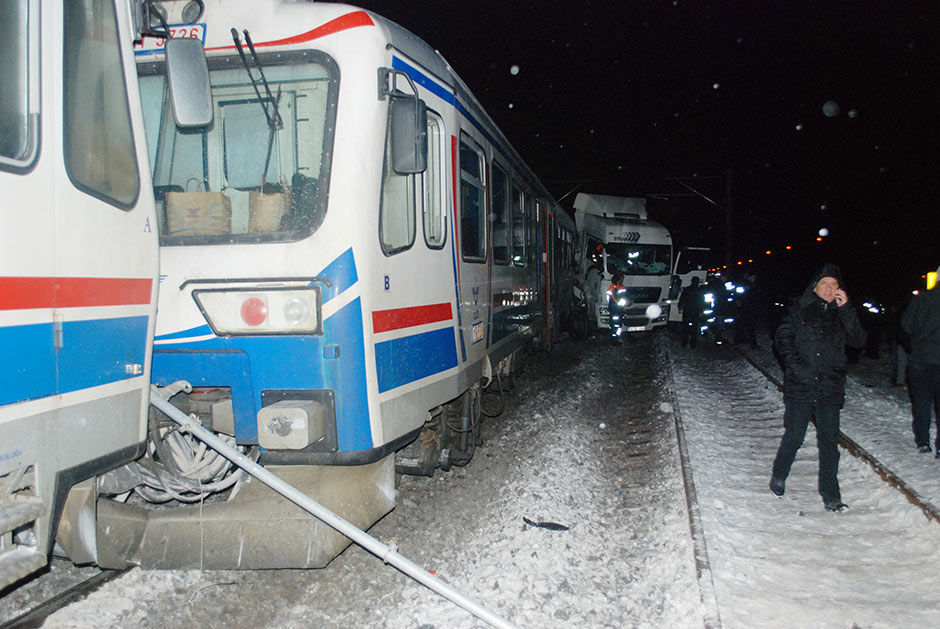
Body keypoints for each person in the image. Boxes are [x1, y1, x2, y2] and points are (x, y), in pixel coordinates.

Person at [769, 263, 866, 512]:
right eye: (824, 283)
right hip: (801, 384)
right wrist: (795, 367)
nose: (829, 288)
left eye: (834, 284)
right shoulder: (799, 307)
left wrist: (846, 310)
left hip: (830, 386)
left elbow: (858, 340)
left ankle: (831, 494)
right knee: (794, 435)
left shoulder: (841, 313)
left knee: (829, 443)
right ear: (815, 286)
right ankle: (779, 475)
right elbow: (782, 337)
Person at [900, 265, 940, 455]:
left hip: (922, 357)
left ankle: (923, 441)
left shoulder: (922, 298)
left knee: (922, 401)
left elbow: (905, 324)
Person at [678, 276, 703, 348]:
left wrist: (680, 307)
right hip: (695, 310)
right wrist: (701, 311)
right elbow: (702, 302)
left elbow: (682, 299)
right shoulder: (699, 291)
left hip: (687, 310)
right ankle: (693, 344)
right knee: (694, 328)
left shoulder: (686, 289)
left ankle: (684, 342)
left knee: (685, 327)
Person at [607, 271, 630, 339]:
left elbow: (625, 296)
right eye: (621, 278)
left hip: (619, 310)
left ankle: (617, 338)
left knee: (618, 326)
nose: (622, 280)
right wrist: (627, 303)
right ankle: (614, 339)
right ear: (617, 279)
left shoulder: (621, 287)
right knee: (615, 326)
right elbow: (617, 300)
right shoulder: (614, 289)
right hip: (615, 310)